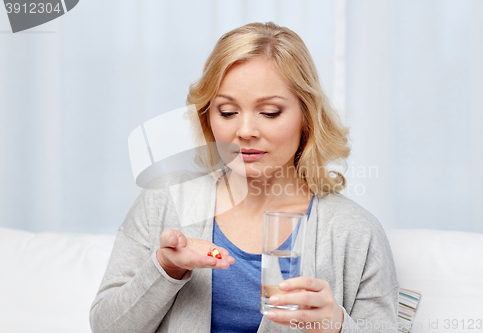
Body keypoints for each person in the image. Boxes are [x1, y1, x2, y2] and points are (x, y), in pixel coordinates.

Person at [90, 22, 399, 333]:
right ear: (208, 117)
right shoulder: (165, 201)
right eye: (227, 112)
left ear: (306, 116)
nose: (246, 131)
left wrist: (337, 324)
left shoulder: (356, 232)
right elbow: (106, 327)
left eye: (270, 112)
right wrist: (166, 269)